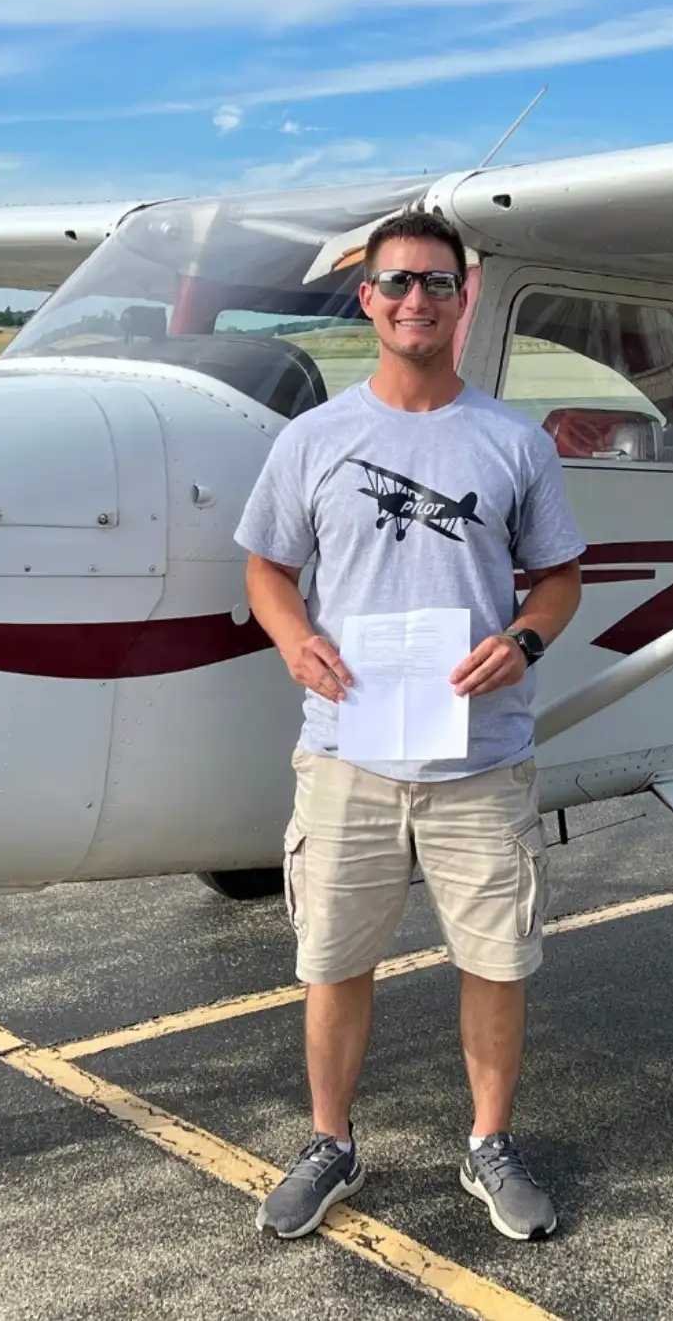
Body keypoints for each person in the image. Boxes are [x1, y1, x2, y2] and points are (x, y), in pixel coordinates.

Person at [234, 211, 585, 1243]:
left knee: (495, 961)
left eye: (435, 283)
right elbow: (264, 566)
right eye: (395, 283)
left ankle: (486, 1143)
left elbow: (559, 579)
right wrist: (293, 635)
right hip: (348, 752)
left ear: (462, 295)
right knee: (331, 961)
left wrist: (520, 642)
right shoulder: (313, 439)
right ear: (367, 298)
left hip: (479, 757)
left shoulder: (511, 441)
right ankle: (330, 1144)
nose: (414, 301)